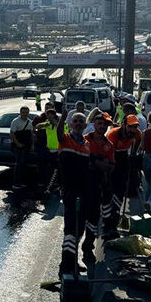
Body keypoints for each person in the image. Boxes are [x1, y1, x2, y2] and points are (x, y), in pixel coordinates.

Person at [56, 110, 90, 279]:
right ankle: (66, 265)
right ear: (70, 124)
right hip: (69, 191)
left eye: (80, 122)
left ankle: (73, 259)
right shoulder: (65, 139)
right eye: (75, 121)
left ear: (85, 125)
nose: (77, 124)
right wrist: (62, 119)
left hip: (83, 191)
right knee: (70, 227)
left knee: (79, 227)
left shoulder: (86, 144)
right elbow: (58, 132)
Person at [84, 112, 115, 266]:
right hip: (83, 185)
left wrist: (95, 161)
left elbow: (110, 167)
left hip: (99, 186)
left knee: (93, 219)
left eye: (105, 124)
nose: (102, 126)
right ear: (94, 124)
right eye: (99, 123)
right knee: (78, 221)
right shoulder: (85, 140)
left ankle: (87, 249)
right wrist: (99, 162)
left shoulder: (109, 145)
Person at [104, 114, 142, 232]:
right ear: (124, 125)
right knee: (110, 188)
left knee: (122, 187)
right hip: (110, 157)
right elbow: (108, 153)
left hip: (124, 156)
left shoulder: (136, 133)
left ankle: (115, 214)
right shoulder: (113, 135)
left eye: (135, 127)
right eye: (130, 127)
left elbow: (138, 140)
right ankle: (107, 217)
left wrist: (134, 153)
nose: (133, 130)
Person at [10, 106, 34, 188]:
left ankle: (22, 182)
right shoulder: (15, 121)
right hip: (18, 146)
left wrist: (32, 145)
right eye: (23, 112)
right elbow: (12, 134)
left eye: (26, 112)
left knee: (24, 164)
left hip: (26, 146)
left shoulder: (29, 122)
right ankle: (15, 183)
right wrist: (18, 144)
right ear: (20, 112)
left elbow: (31, 134)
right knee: (19, 164)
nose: (25, 114)